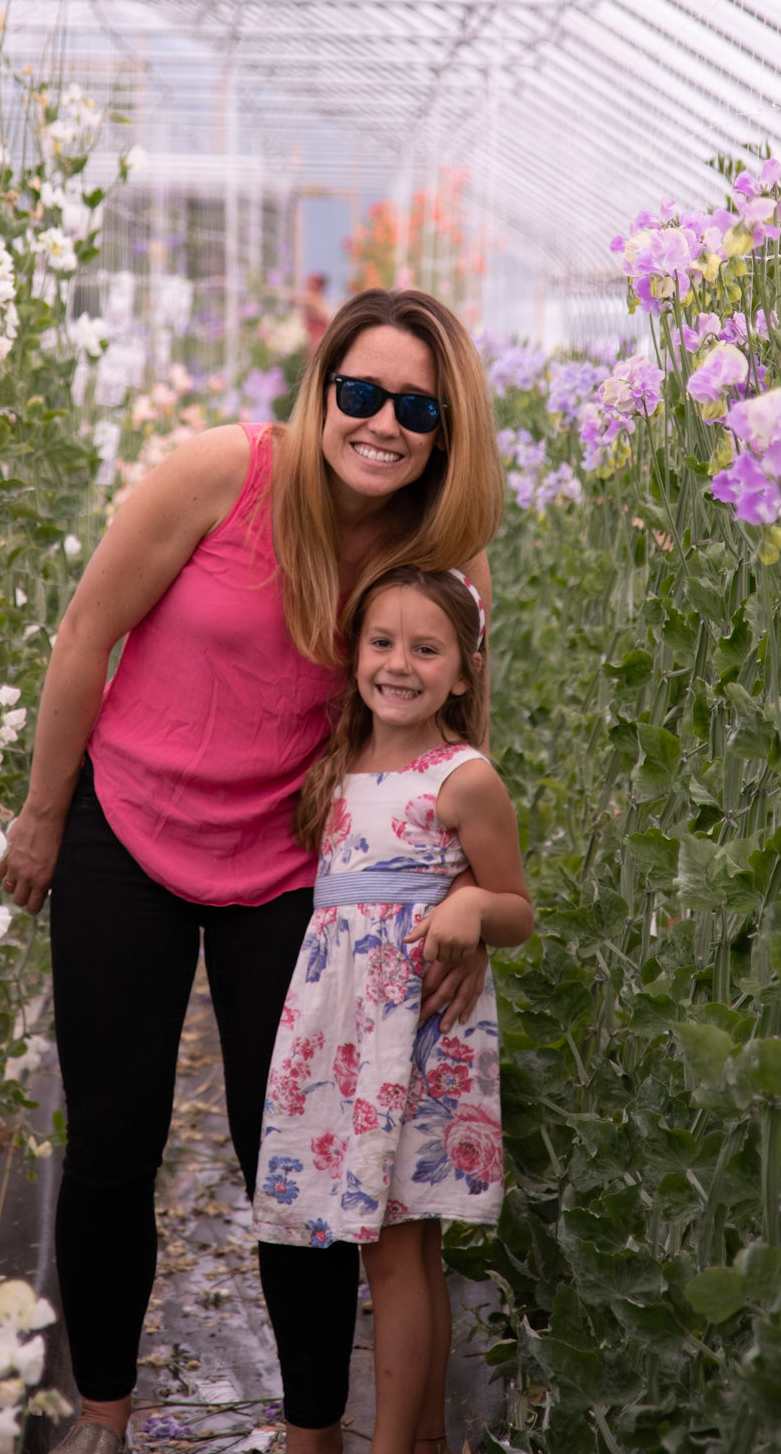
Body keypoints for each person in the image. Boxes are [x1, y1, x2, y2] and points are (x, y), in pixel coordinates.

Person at [0, 288, 506, 1454]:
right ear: (322, 388)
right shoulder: (220, 472)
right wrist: (42, 814)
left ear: (447, 429)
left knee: (291, 1145)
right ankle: (104, 1412)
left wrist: (462, 897)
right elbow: (86, 634)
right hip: (127, 829)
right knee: (113, 1134)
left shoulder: (440, 552)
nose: (382, 422)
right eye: (360, 391)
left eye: (416, 407)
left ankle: (310, 1427)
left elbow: (458, 738)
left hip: (295, 861)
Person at [253, 566, 531, 1454]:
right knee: (401, 1250)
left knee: (396, 1252)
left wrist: (470, 904)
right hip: (342, 1031)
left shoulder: (463, 778)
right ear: (354, 654)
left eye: (426, 649)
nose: (399, 665)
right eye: (381, 642)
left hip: (414, 1035)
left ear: (466, 670)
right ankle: (424, 1439)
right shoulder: (337, 764)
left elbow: (517, 910)